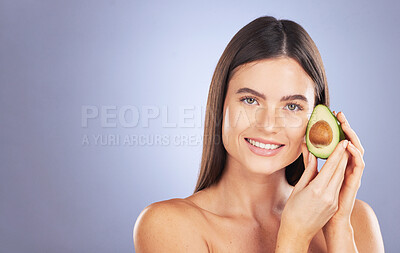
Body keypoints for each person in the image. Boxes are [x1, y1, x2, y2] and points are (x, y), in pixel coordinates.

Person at [133, 15, 384, 252]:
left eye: (292, 106)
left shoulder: (357, 220)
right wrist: (293, 236)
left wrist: (339, 225)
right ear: (221, 104)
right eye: (250, 100)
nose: (268, 125)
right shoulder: (167, 225)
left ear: (315, 119)